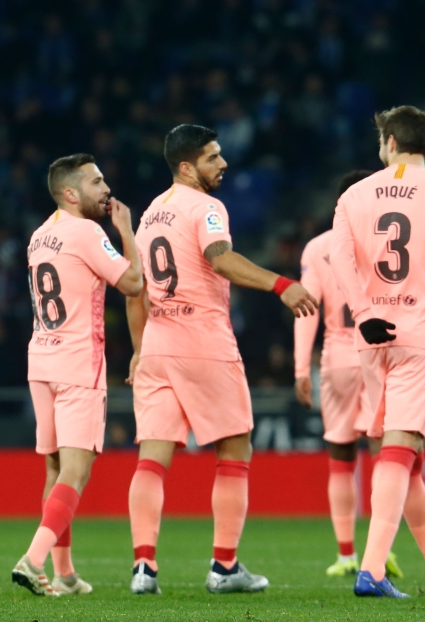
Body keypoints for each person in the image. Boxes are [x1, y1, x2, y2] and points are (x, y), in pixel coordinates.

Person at [125, 124, 318, 595]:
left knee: (152, 458)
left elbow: (135, 288)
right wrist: (282, 284)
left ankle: (144, 568)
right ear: (187, 166)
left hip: (157, 342)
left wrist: (137, 350)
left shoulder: (151, 214)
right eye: (213, 157)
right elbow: (220, 258)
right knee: (235, 450)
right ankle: (225, 567)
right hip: (202, 341)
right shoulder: (207, 207)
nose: (223, 163)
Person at [329, 106, 425, 598]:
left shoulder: (354, 194)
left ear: (391, 141)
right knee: (400, 448)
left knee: (402, 454)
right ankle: (372, 570)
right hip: (420, 333)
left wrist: (362, 311)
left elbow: (339, 258)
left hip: (371, 335)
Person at [11, 154, 143, 596]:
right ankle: (32, 560)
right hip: (76, 364)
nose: (106, 189)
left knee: (54, 469)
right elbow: (134, 284)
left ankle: (64, 573)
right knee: (76, 471)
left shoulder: (39, 236)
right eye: (96, 182)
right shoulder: (87, 232)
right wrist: (126, 230)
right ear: (71, 193)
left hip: (41, 360)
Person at [293, 170, 403, 580]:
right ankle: (382, 551)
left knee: (341, 457)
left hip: (338, 357)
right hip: (379, 354)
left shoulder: (319, 248)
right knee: (384, 456)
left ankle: (345, 555)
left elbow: (307, 308)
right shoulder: (388, 238)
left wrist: (301, 367)